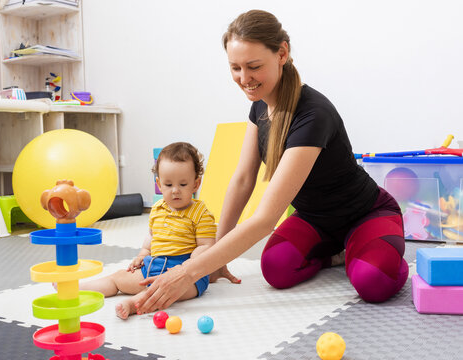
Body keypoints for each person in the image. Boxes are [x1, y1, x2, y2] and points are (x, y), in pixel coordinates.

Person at [135, 9, 409, 313]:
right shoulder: (259, 108)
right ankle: (341, 253)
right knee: (275, 269)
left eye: (253, 66)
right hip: (316, 219)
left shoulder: (313, 113)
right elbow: (242, 180)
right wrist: (217, 258)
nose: (244, 79)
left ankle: (373, 252)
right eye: (235, 68)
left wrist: (188, 270)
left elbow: (265, 219)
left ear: (282, 53)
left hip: (365, 213)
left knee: (373, 281)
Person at [80, 142, 216, 319]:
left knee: (159, 291)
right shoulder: (157, 208)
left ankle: (132, 305)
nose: (175, 191)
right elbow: (152, 238)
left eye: (183, 184)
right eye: (168, 184)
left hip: (188, 275)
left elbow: (207, 246)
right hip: (153, 266)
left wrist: (186, 268)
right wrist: (142, 256)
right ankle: (79, 289)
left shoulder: (201, 213)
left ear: (195, 184)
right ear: (159, 184)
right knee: (118, 278)